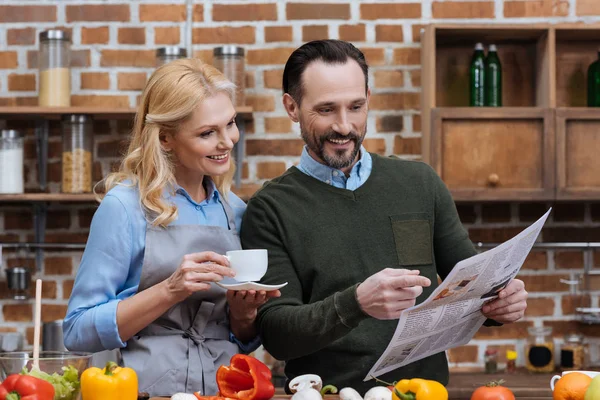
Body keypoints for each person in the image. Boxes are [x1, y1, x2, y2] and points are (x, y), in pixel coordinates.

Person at [240, 40, 528, 393]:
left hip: (424, 392)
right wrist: (357, 302)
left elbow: (472, 286)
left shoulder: (420, 184)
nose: (345, 126)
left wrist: (501, 302)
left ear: (368, 99)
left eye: (356, 107)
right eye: (326, 110)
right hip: (330, 394)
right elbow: (277, 335)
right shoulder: (269, 208)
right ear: (292, 107)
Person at [64, 59, 280, 397]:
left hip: (224, 390)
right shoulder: (124, 208)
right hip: (145, 390)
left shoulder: (236, 212)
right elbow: (77, 332)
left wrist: (244, 314)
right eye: (207, 132)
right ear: (165, 138)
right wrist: (170, 289)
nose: (227, 141)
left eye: (231, 123)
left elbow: (241, 339)